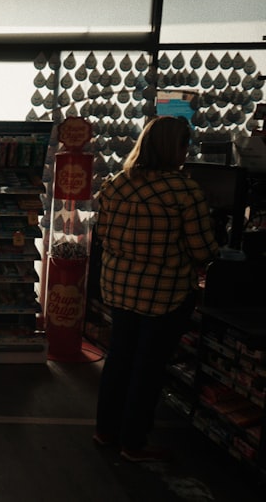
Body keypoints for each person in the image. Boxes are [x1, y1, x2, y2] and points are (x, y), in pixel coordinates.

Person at [93, 116, 219, 462]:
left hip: (119, 288)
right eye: (184, 144)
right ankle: (134, 442)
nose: (186, 151)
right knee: (147, 367)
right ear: (172, 148)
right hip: (164, 295)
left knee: (119, 360)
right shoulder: (184, 191)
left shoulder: (116, 183)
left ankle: (105, 430)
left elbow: (101, 234)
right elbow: (203, 250)